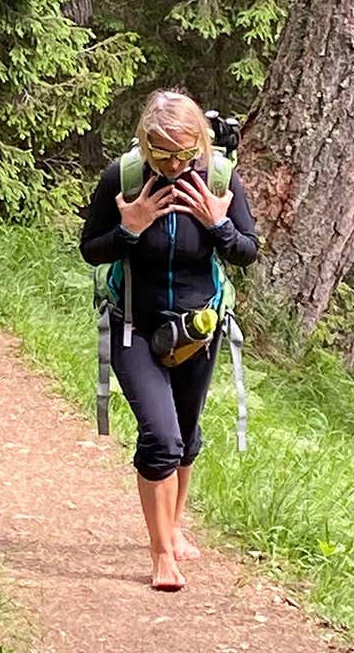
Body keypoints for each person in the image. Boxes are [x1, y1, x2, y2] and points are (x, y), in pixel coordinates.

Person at [79, 89, 258, 591]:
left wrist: (219, 225)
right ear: (145, 143)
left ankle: (174, 527)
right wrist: (129, 229)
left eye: (185, 154)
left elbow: (248, 251)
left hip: (199, 328)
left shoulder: (218, 177)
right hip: (134, 325)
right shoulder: (123, 178)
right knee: (161, 437)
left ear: (200, 142)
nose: (176, 165)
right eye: (163, 154)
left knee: (187, 435)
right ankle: (160, 553)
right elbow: (91, 249)